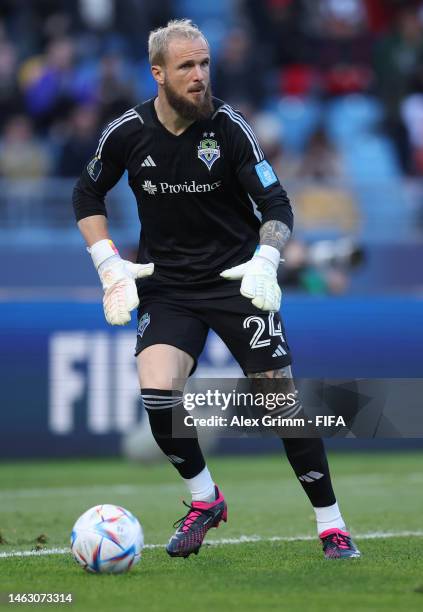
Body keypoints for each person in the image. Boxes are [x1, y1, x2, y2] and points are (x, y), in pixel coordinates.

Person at [73, 19, 360, 560]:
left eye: (204, 64)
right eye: (186, 66)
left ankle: (332, 525)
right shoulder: (127, 134)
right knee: (158, 391)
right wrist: (108, 262)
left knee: (280, 402)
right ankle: (205, 500)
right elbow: (86, 192)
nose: (200, 76)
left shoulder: (230, 127)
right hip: (169, 285)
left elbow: (277, 204)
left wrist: (267, 260)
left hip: (236, 280)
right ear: (158, 73)